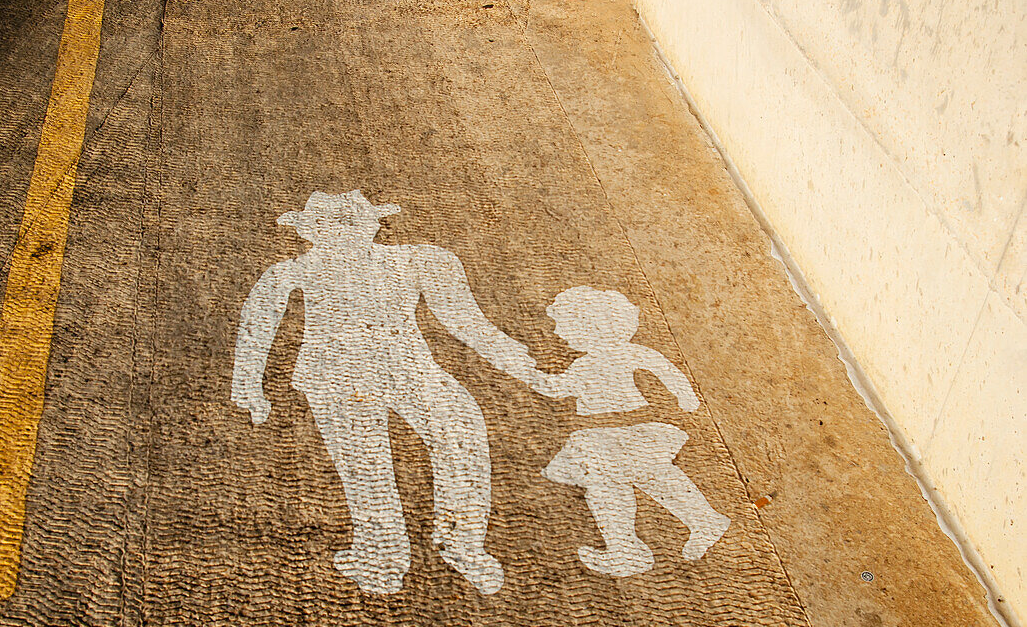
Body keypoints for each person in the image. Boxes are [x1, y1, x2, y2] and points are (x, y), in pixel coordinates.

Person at [231, 190, 536, 595]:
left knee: (462, 428)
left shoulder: (418, 260)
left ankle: (463, 544)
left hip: (409, 367)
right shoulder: (292, 272)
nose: (342, 235)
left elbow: (465, 319)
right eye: (328, 227)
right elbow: (257, 325)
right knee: (365, 462)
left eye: (352, 224)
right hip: (334, 373)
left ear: (373, 225)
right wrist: (247, 385)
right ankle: (380, 554)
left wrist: (515, 358)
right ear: (309, 232)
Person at [528, 286, 729, 576]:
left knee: (609, 483)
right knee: (655, 477)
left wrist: (527, 372)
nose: (559, 334)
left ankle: (625, 549)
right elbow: (666, 369)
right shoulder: (624, 354)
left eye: (564, 326)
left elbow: (557, 389)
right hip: (631, 427)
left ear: (587, 327)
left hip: (613, 432)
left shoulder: (586, 364)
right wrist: (685, 398)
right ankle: (704, 521)